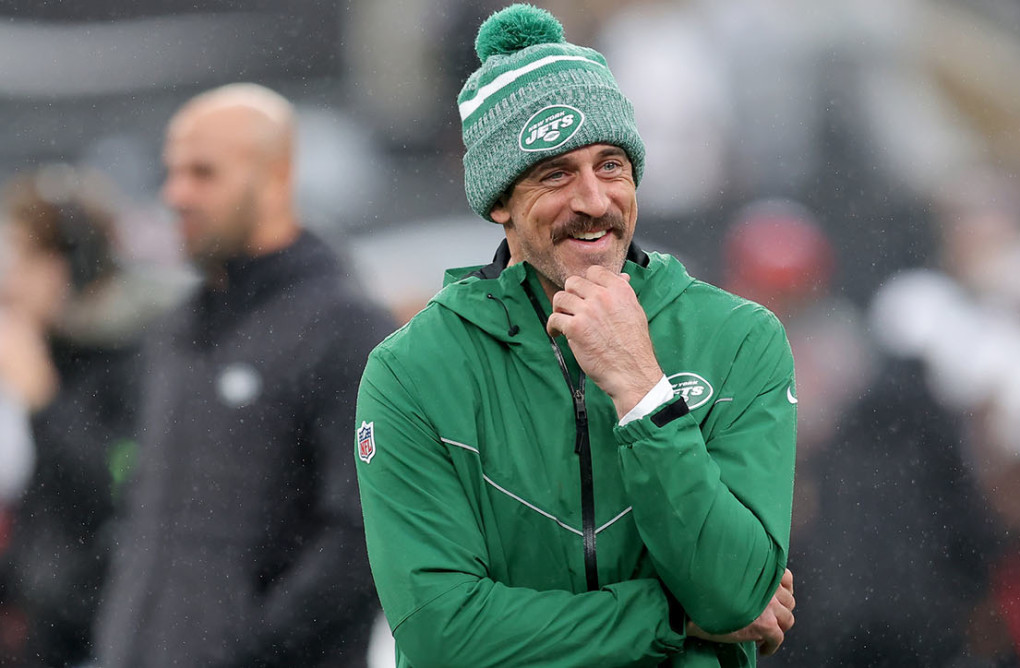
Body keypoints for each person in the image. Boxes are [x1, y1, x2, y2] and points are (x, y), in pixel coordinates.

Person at [354, 4, 798, 667]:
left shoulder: (739, 339)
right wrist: (673, 615)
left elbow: (735, 595)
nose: (594, 200)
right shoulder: (412, 371)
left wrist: (644, 394)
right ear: (500, 200)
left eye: (611, 165)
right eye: (556, 174)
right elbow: (442, 634)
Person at [91, 83, 395, 668]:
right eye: (172, 171)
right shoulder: (174, 333)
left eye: (203, 173)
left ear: (276, 177)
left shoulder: (346, 331)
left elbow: (367, 534)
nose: (175, 193)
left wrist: (250, 645)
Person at [0, 166, 159, 667]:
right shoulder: (54, 350)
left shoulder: (139, 355)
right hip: (42, 628)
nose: (11, 281)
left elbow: (117, 482)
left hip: (102, 633)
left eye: (23, 259)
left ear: (71, 266)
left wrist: (42, 400)